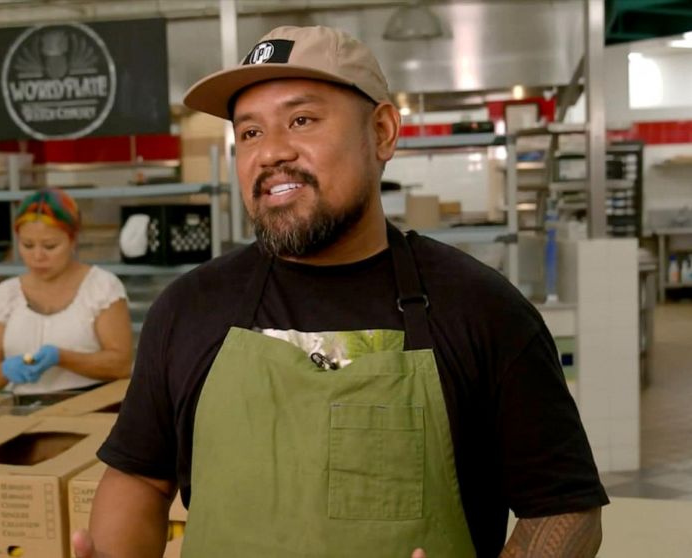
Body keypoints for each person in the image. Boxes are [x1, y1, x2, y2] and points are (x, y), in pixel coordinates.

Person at [74, 26, 607, 558]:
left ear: (381, 132)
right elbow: (140, 478)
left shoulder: (482, 309)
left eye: (301, 120)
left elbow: (563, 508)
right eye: (251, 133)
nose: (270, 153)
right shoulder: (188, 308)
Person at [0, 188, 133, 397]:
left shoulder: (102, 288)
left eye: (50, 246)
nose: (37, 256)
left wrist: (61, 358)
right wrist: (5, 370)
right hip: (23, 411)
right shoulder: (5, 295)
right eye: (27, 245)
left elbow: (121, 365)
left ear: (73, 240)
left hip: (93, 408)